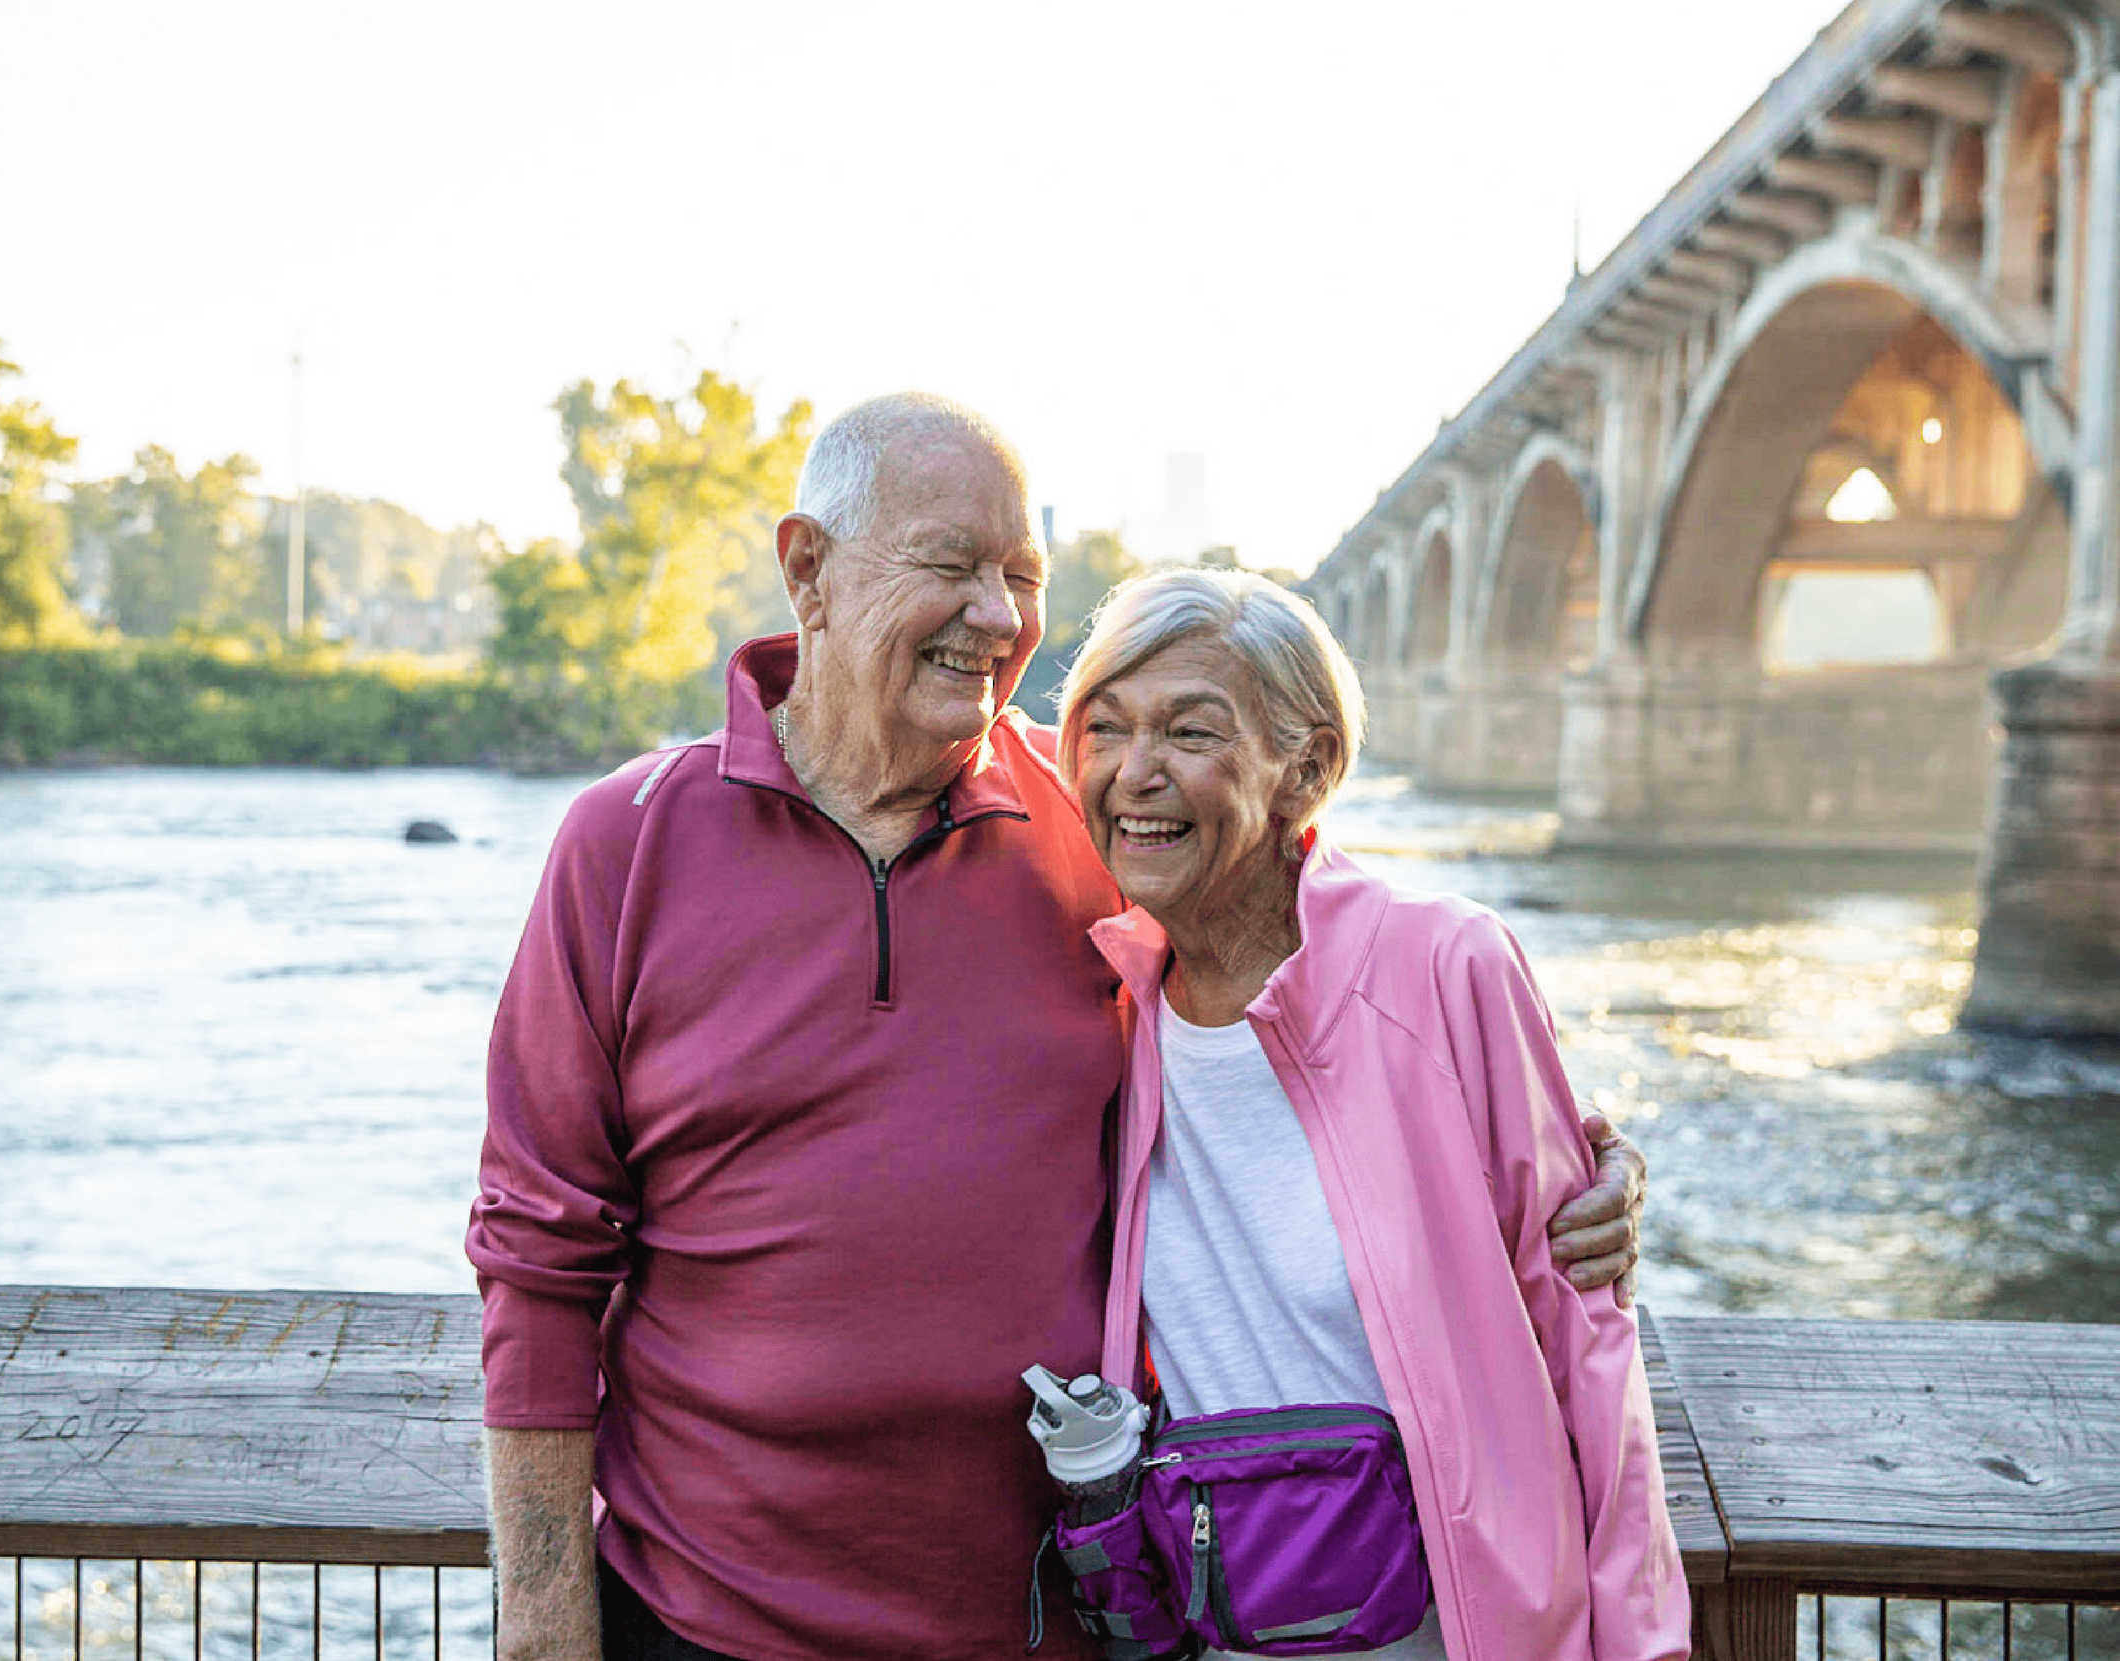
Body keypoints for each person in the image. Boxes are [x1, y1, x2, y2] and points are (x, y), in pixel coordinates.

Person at [466, 393, 1649, 1661]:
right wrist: (541, 1631)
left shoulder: (1098, 818)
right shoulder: (626, 842)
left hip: (1050, 1623)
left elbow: (1317, 948)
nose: (997, 617)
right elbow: (538, 1258)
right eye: (952, 565)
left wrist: (1551, 1156)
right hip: (703, 1621)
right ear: (807, 569)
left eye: (1021, 577)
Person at [1056, 565, 1687, 1659]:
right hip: (1217, 1630)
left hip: (1452, 1634)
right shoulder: (1112, 999)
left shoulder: (1447, 966)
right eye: (1104, 727)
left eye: (1191, 731)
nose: (1133, 771)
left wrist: (1640, 1644)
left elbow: (1587, 1342)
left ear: (1305, 769)